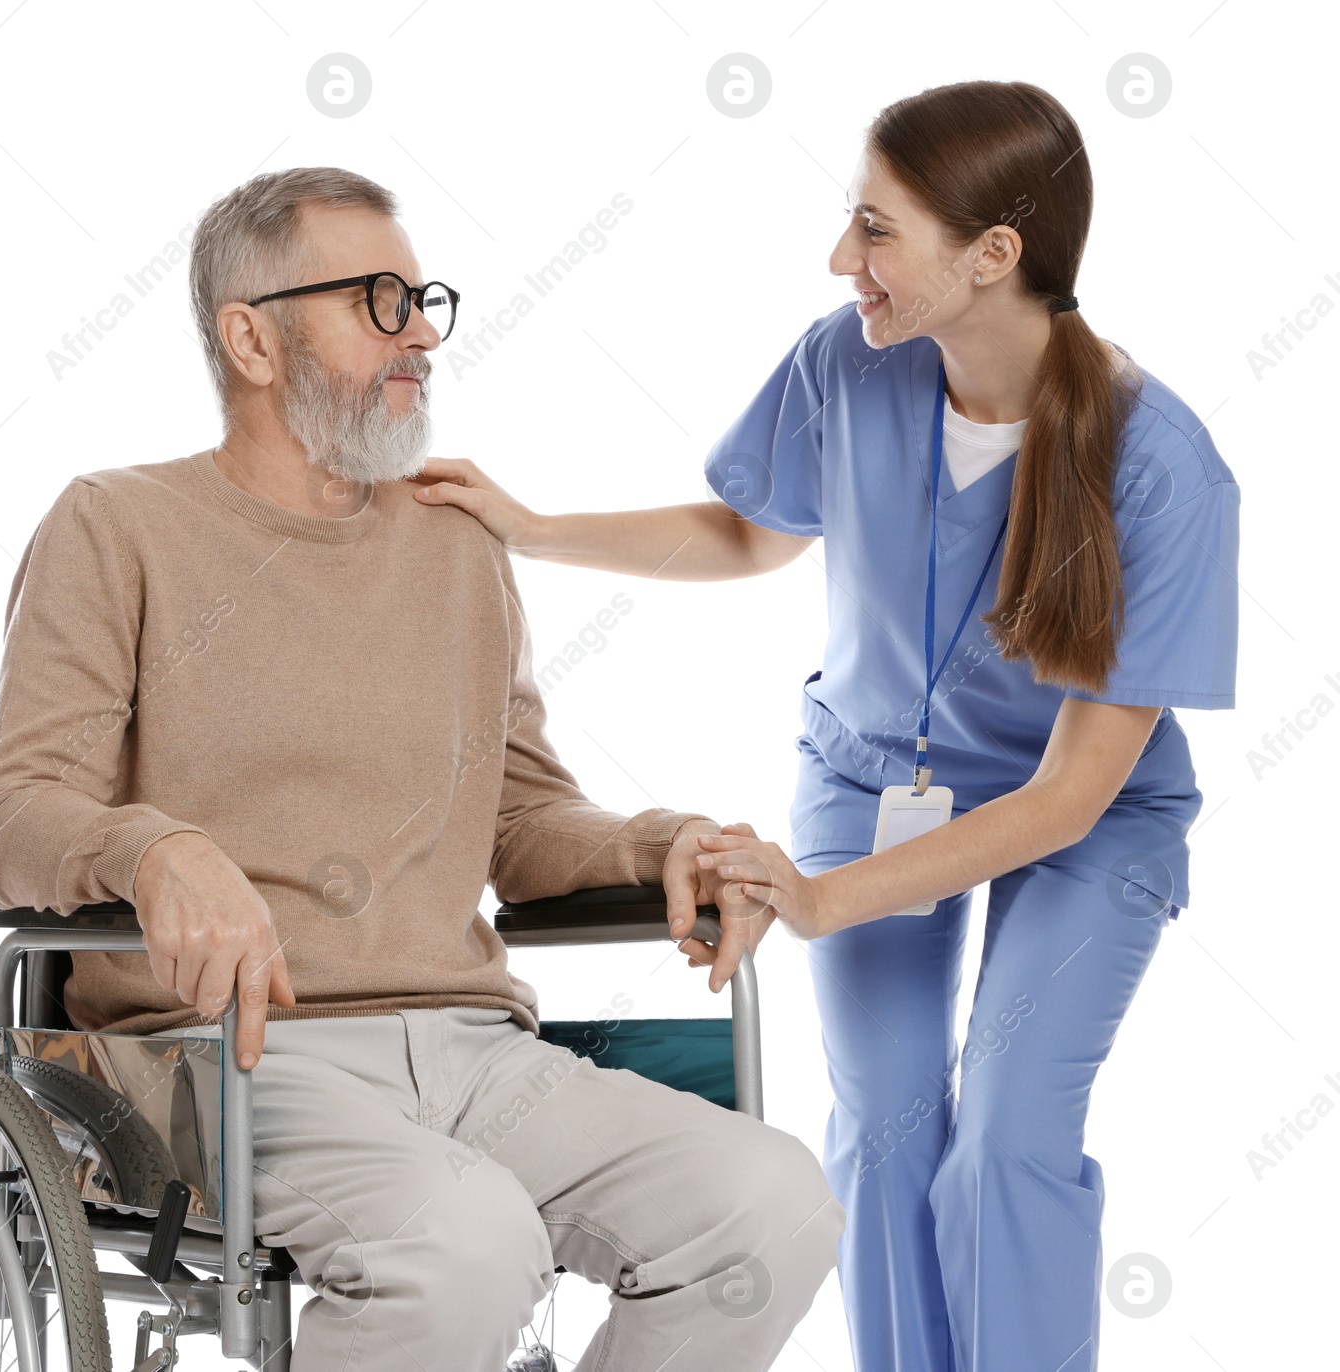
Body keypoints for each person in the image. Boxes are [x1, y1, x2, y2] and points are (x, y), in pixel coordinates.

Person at [413, 80, 1239, 1372]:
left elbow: (1068, 799)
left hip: (1084, 816)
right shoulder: (843, 362)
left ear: (992, 256)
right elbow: (748, 530)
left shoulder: (1159, 463)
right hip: (869, 774)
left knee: (1012, 1141)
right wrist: (532, 529)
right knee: (892, 1127)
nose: (841, 259)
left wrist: (822, 898)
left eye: (874, 229)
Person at [0, 165, 844, 1371]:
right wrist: (154, 845)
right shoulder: (115, 526)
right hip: (224, 1059)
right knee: (467, 1252)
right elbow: (16, 814)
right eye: (377, 301)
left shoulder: (454, 542)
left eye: (422, 298)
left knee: (771, 1202)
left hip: (475, 1051)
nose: (421, 332)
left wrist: (660, 847)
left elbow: (524, 818)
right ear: (252, 338)